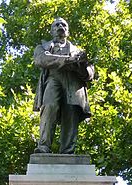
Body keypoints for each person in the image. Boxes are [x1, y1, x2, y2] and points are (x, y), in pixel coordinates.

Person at [33, 17, 94, 154]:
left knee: (71, 114)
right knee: (49, 106)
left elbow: (89, 74)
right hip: (53, 80)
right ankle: (43, 146)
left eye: (64, 25)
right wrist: (68, 60)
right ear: (51, 30)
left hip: (74, 84)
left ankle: (68, 152)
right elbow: (41, 60)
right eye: (57, 25)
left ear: (68, 31)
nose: (61, 26)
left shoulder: (78, 51)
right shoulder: (42, 47)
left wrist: (80, 66)